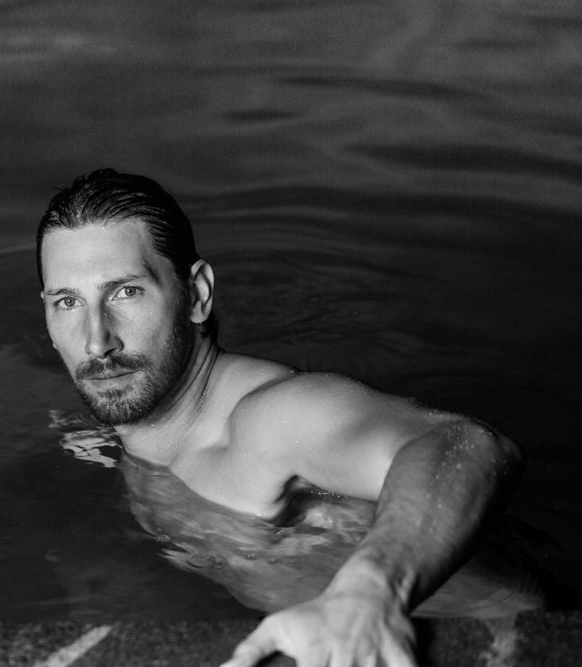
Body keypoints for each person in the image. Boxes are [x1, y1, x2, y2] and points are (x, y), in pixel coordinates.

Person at [36, 168, 538, 667]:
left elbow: (467, 445)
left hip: (520, 651)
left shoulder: (267, 419)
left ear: (197, 295)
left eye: (126, 292)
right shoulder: (142, 429)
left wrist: (370, 592)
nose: (97, 340)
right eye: (68, 302)